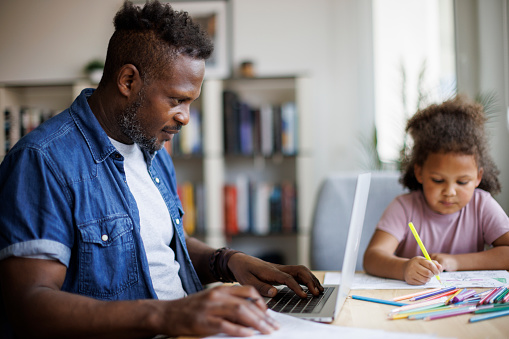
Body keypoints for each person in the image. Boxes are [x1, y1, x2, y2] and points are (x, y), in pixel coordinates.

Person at [0, 1, 323, 338]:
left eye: (191, 103)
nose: (185, 117)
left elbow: (163, 244)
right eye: (176, 100)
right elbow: (29, 305)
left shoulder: (151, 146)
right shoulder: (43, 161)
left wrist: (228, 261)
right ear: (128, 80)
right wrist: (166, 315)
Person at [363, 95, 509, 285]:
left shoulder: (482, 205)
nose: (449, 191)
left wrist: (456, 261)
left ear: (478, 178)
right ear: (419, 172)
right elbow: (372, 257)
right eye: (438, 180)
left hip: (465, 303)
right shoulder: (404, 207)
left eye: (463, 182)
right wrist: (404, 268)